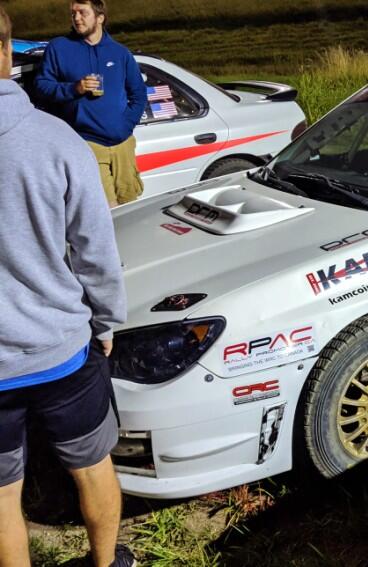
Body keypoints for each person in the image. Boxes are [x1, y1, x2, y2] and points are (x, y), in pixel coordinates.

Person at [0, 8, 135, 567]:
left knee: (3, 495)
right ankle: (106, 563)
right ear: (7, 51)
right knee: (92, 466)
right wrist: (106, 324)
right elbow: (96, 253)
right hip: (62, 348)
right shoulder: (57, 141)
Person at [34, 0, 147, 208]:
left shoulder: (120, 53)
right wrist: (73, 89)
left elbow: (139, 94)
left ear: (100, 17)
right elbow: (41, 87)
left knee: (129, 206)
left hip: (123, 144)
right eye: (73, 13)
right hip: (88, 143)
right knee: (105, 210)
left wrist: (126, 125)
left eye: (82, 13)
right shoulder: (59, 48)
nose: (77, 18)